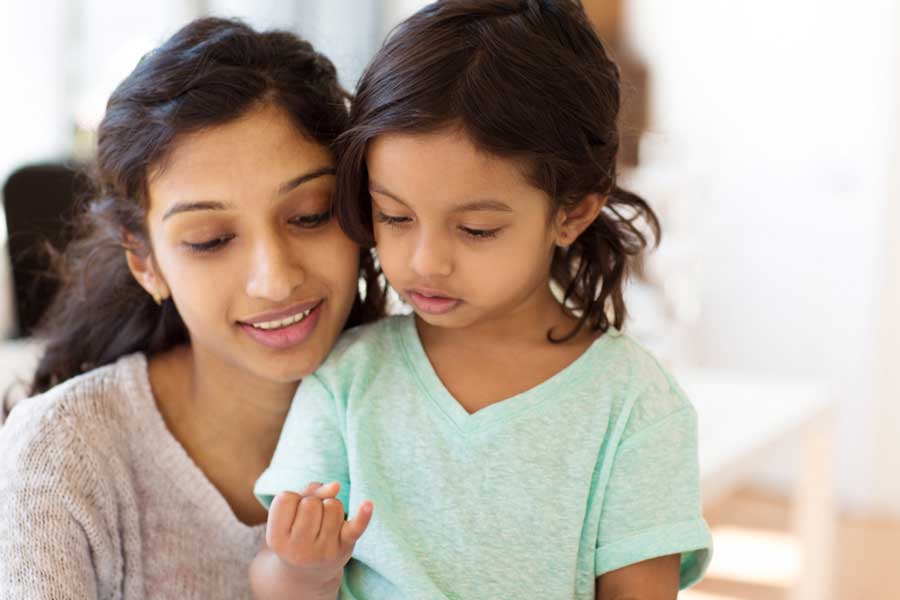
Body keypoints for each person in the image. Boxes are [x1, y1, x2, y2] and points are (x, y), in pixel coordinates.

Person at [251, 1, 712, 599]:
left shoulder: (634, 405)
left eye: (476, 230)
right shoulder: (347, 379)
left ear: (573, 213)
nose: (425, 261)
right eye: (395, 216)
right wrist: (301, 569)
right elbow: (274, 582)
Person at [0, 17, 383, 599]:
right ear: (145, 262)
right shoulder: (61, 455)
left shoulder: (432, 405)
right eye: (211, 240)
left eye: (310, 214)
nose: (275, 280)